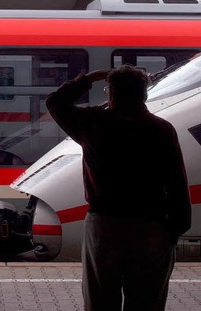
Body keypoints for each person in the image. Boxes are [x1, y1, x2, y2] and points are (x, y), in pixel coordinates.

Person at [46, 65, 191, 311]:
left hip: (104, 226)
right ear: (143, 95)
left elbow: (56, 102)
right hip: (152, 225)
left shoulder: (92, 124)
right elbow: (177, 182)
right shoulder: (162, 129)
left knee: (100, 300)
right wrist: (175, 229)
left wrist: (89, 78)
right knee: (147, 301)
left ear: (110, 94)